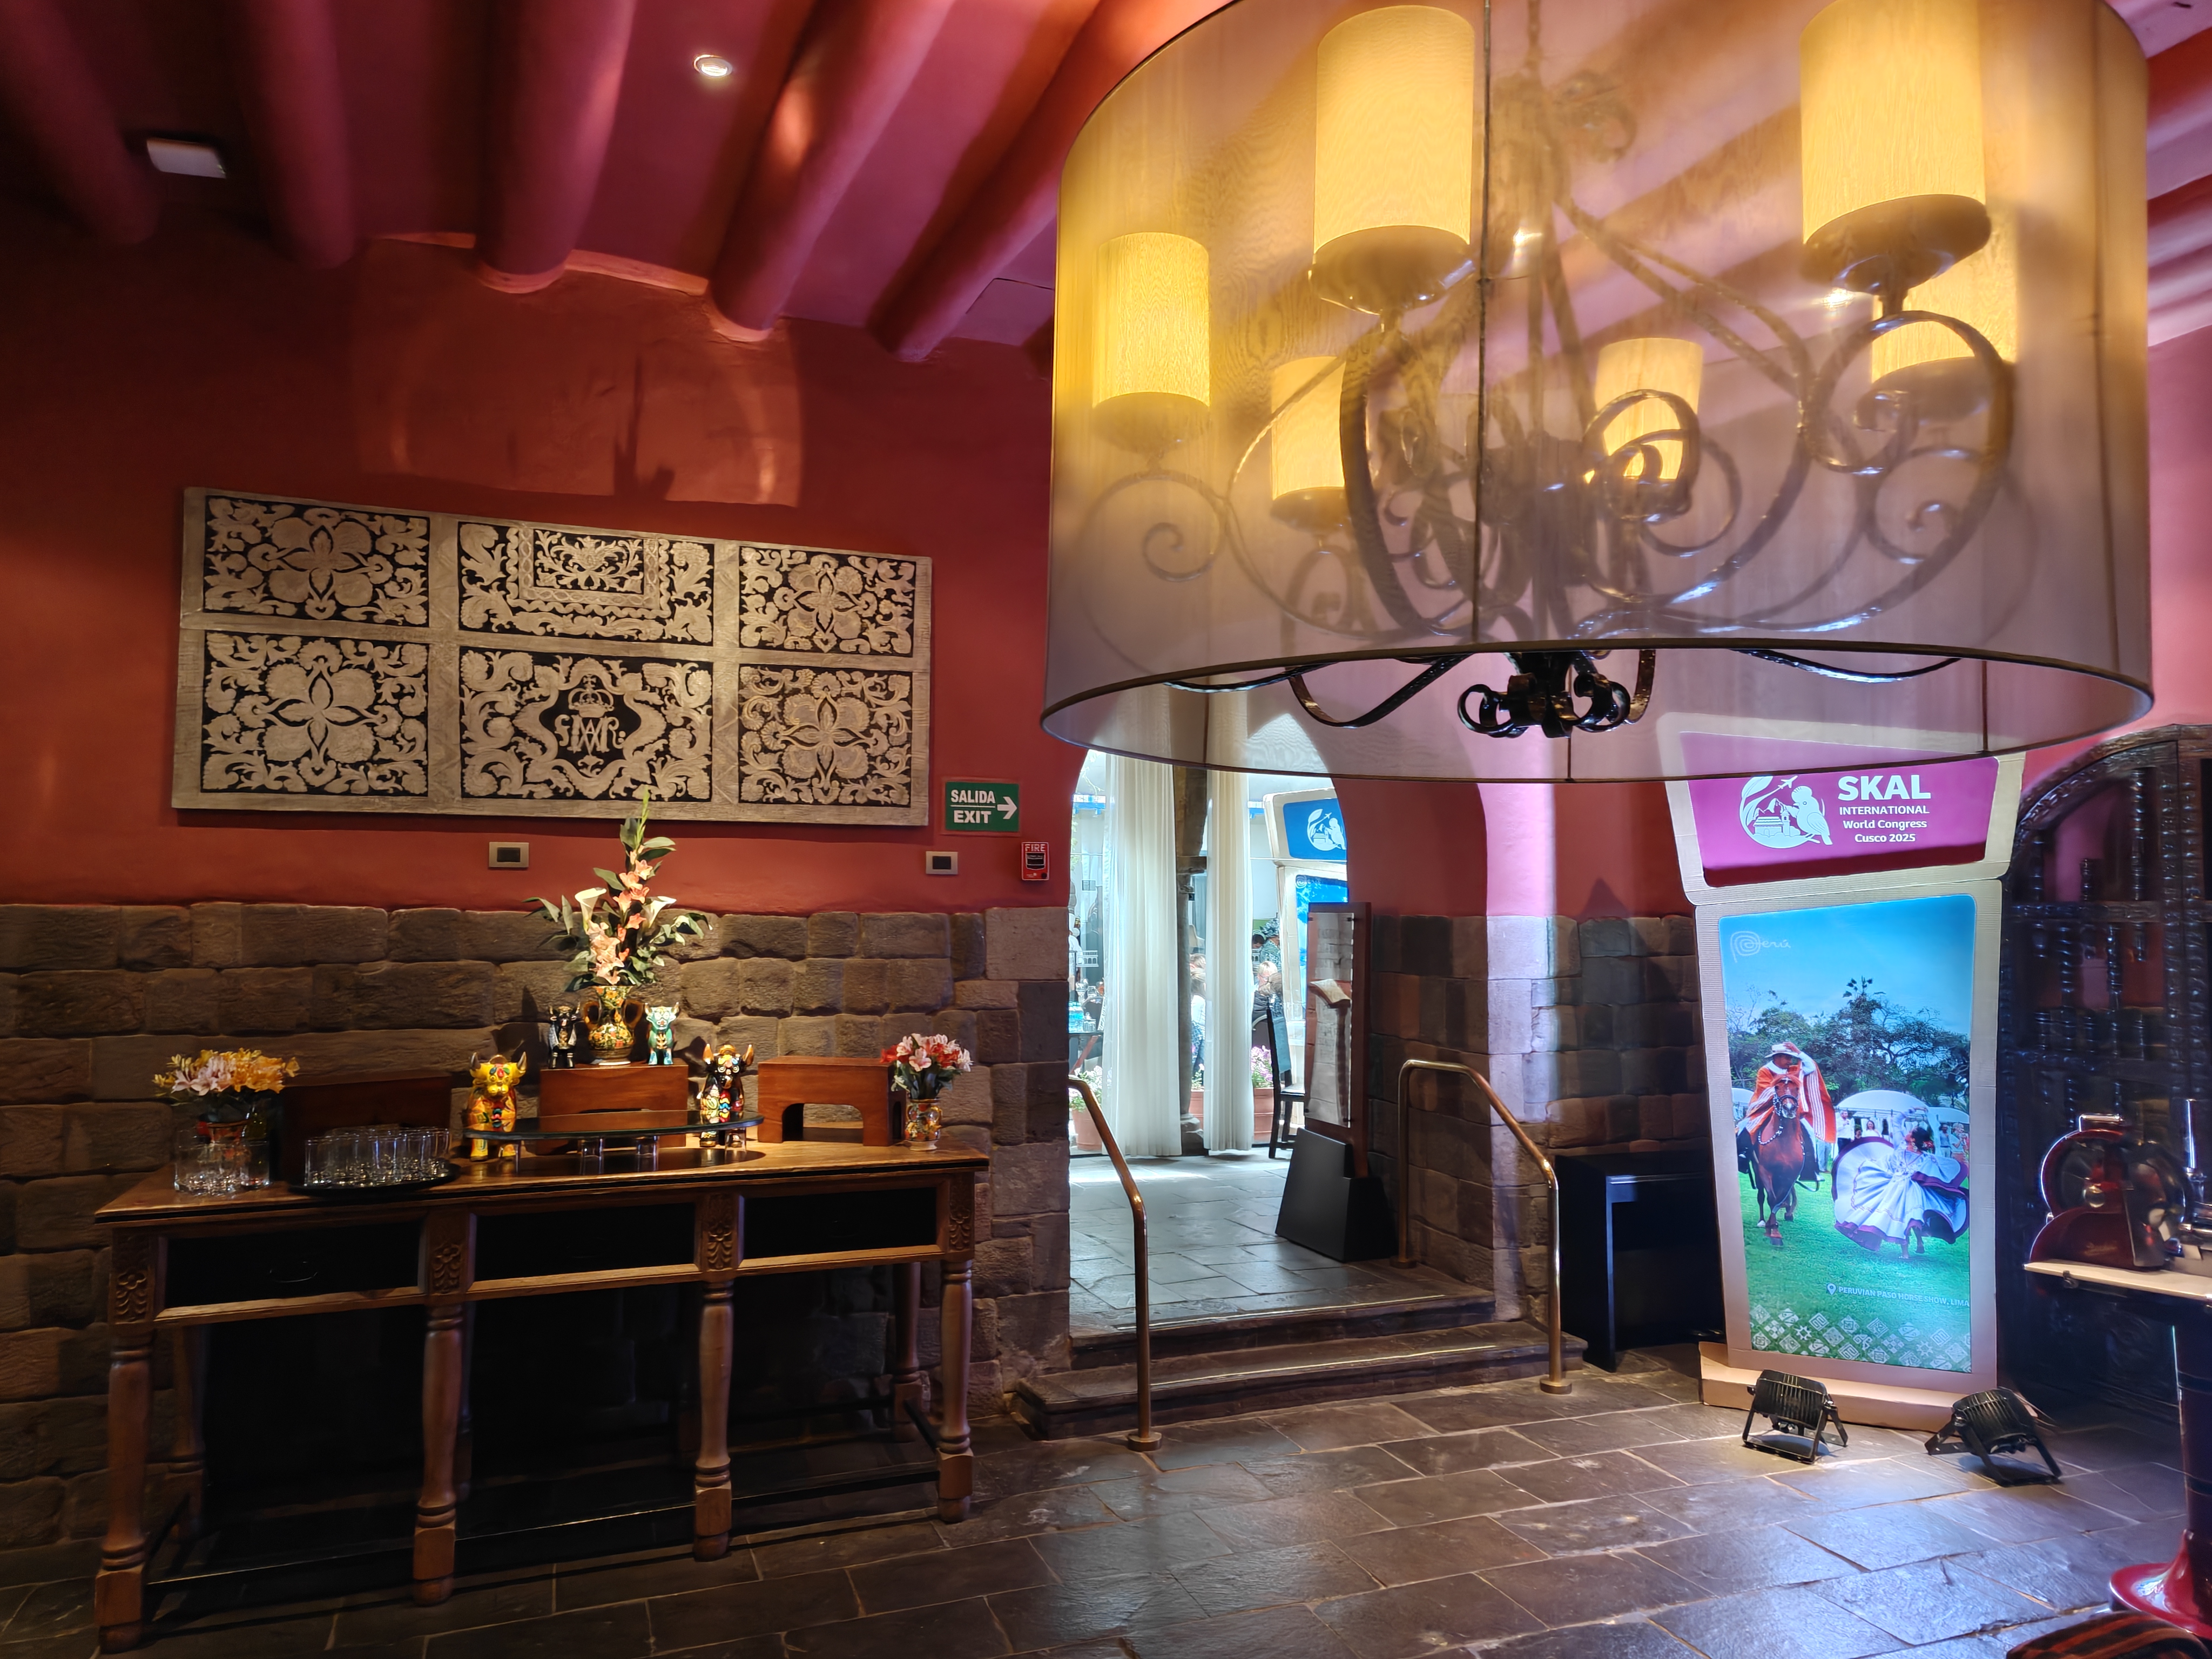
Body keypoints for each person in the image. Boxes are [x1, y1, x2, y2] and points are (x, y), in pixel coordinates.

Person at [1834, 1125, 1968, 1257]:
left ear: (1914, 1139)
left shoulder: (1908, 1153)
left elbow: (1896, 1128)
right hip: (1910, 1190)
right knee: (1913, 1216)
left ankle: (1906, 1254)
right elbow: (1942, 1165)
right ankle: (1919, 1243)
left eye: (1911, 1132)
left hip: (1901, 1189)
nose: (1908, 1133)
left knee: (1902, 1217)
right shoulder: (1924, 1157)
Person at [1738, 1041, 1836, 1186]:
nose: (1790, 1061)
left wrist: (1798, 1052)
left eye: (1791, 1057)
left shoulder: (1793, 1070)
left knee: (1809, 1131)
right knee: (1745, 1125)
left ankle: (1811, 1168)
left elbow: (1811, 1068)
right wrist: (1784, 1095)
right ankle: (1743, 1156)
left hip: (1790, 1109)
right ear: (1777, 1057)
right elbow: (1765, 1091)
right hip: (1765, 1107)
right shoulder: (1765, 1071)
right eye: (1787, 1057)